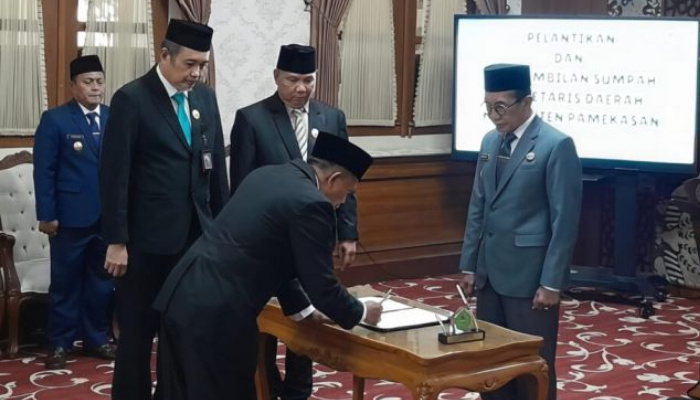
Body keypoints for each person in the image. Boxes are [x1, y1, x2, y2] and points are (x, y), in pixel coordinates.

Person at [153, 132, 383, 400]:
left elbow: (279, 257)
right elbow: (322, 286)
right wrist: (361, 312)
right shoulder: (312, 203)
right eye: (348, 192)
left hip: (181, 296)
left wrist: (303, 310)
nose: (343, 202)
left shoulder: (267, 175)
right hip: (217, 317)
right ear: (334, 179)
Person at [99, 19, 229, 400]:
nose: (196, 73)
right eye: (189, 64)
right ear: (164, 55)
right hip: (145, 245)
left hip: (195, 241)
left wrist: (222, 233)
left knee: (185, 331)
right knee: (137, 336)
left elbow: (216, 172)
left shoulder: (205, 99)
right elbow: (114, 175)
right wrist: (116, 241)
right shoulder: (132, 99)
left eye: (202, 65)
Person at [230, 43, 358, 399]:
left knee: (310, 311)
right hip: (269, 243)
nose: (301, 88)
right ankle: (267, 386)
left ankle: (299, 390)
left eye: (308, 80)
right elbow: (241, 187)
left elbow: (344, 181)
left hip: (314, 235)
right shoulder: (252, 119)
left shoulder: (331, 118)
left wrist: (347, 232)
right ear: (276, 77)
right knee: (271, 316)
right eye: (292, 80)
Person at [459, 64, 582, 400]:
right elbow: (478, 205)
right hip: (489, 274)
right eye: (488, 107)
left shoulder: (556, 145)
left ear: (527, 101)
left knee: (531, 366)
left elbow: (564, 221)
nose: (494, 116)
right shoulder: (489, 141)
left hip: (530, 278)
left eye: (501, 107)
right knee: (491, 364)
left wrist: (552, 282)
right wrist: (469, 263)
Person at [33, 55, 115, 370]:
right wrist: (47, 214)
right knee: (65, 283)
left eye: (99, 81)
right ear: (73, 86)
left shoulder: (114, 117)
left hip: (107, 218)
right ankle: (59, 343)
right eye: (87, 82)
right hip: (69, 218)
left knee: (102, 282)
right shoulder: (55, 120)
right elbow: (44, 171)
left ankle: (96, 339)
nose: (95, 87)